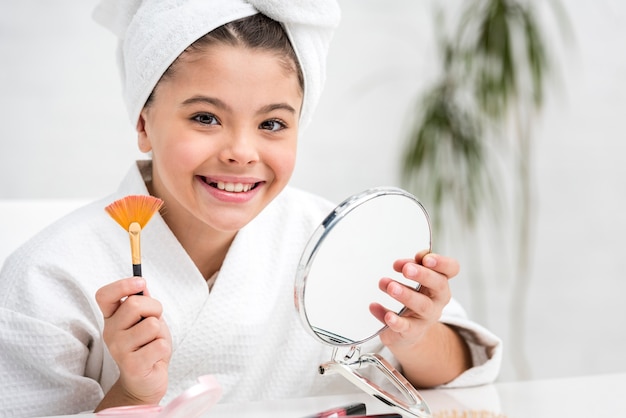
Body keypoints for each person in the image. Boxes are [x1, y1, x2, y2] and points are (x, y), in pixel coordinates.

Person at [0, 0, 502, 416]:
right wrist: (132, 393)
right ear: (144, 123)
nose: (242, 151)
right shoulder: (49, 275)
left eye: (273, 124)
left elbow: (465, 370)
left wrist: (414, 336)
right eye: (205, 117)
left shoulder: (332, 239)